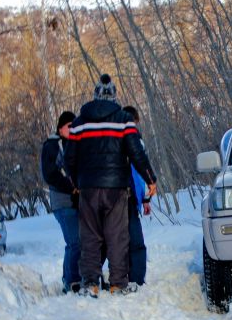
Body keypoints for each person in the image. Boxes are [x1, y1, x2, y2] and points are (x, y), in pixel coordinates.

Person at [65, 74, 157, 298]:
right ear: (114, 96)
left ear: (95, 95)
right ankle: (118, 284)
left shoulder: (79, 123)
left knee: (90, 237)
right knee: (117, 236)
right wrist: (150, 179)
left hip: (88, 188)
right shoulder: (124, 119)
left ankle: (90, 284)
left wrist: (76, 182)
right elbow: (137, 152)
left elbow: (68, 158)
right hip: (116, 188)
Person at [41, 111, 82, 294]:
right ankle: (73, 280)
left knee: (73, 242)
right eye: (69, 126)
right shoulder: (52, 145)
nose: (72, 129)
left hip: (76, 201)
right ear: (60, 127)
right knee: (75, 242)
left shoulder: (73, 144)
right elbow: (50, 175)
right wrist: (70, 187)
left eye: (74, 126)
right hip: (62, 201)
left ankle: (69, 278)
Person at [122, 105, 151, 286]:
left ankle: (124, 276)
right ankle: (136, 279)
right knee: (136, 241)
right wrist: (145, 197)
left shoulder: (113, 140)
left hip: (117, 197)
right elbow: (140, 173)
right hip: (129, 196)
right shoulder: (135, 141)